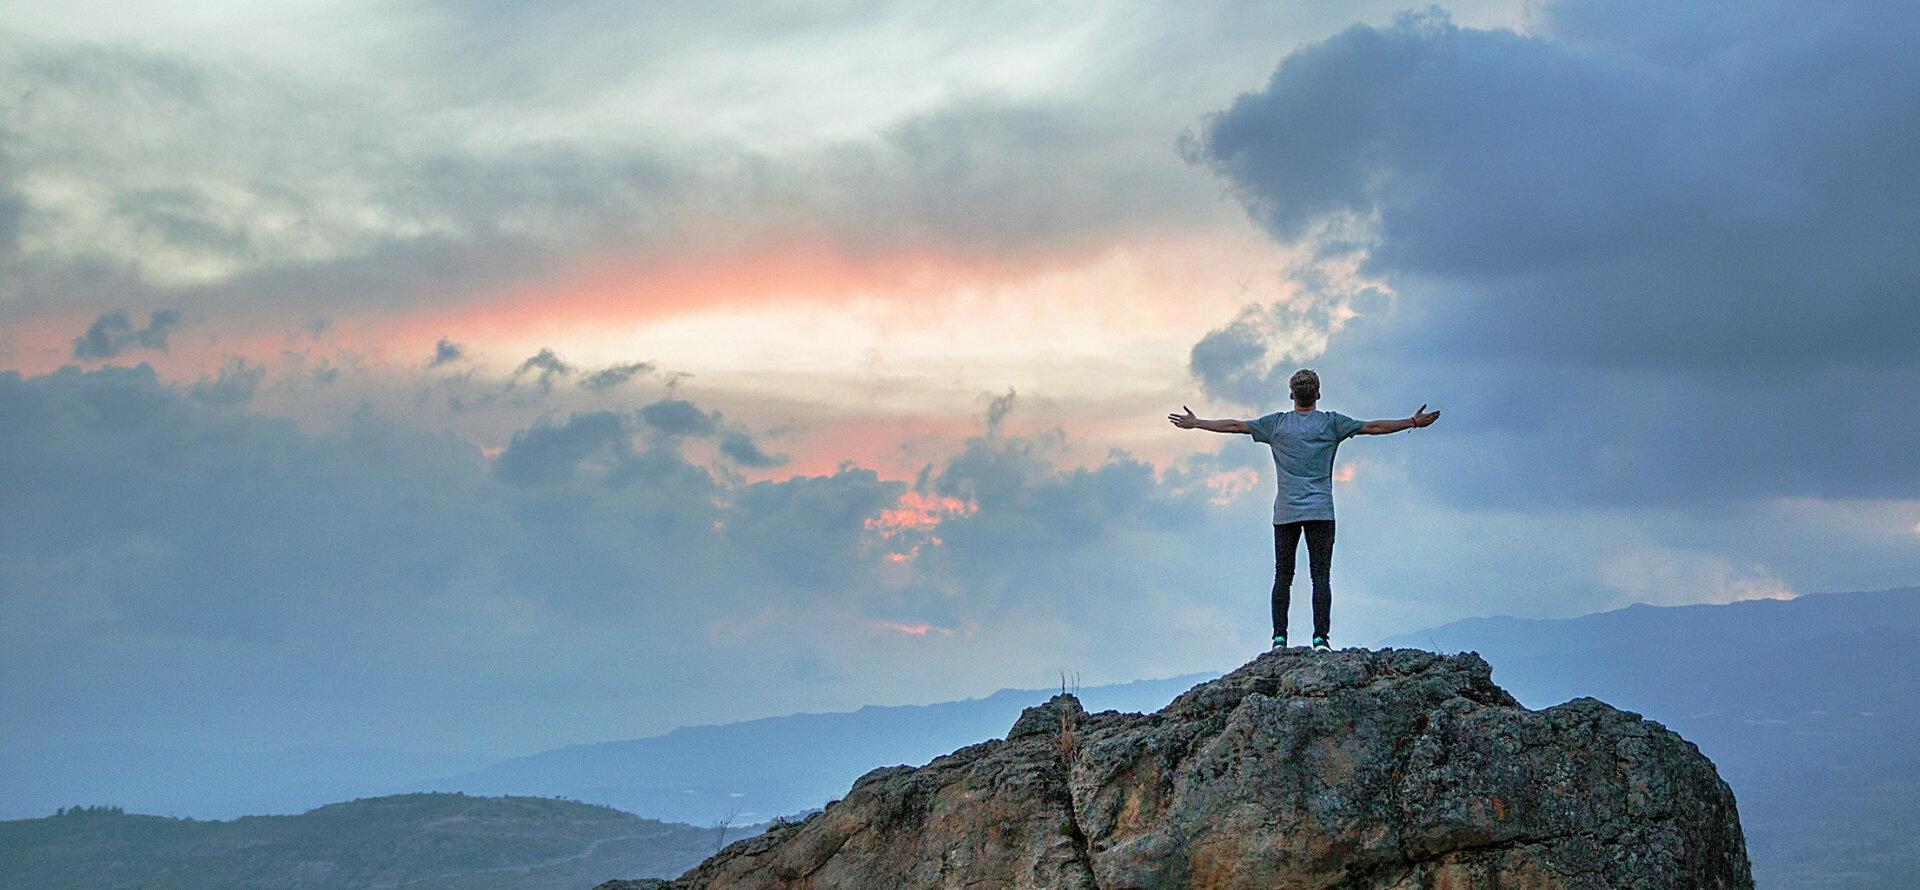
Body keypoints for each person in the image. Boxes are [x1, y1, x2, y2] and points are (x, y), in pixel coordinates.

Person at [1167, 369, 1439, 653]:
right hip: (1321, 511)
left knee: (1283, 576)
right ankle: (1320, 639)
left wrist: (1197, 423)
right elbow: (1374, 427)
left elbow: (1235, 426)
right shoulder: (1333, 423)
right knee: (1320, 576)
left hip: (1286, 512)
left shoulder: (1276, 425)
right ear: (1318, 394)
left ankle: (1278, 639)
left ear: (1291, 395)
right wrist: (1412, 422)